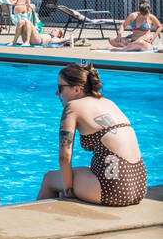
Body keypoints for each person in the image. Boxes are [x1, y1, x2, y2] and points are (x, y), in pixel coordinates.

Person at [36, 63, 147, 206]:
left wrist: (69, 191)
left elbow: (64, 157)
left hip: (114, 189)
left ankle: (35, 224)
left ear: (76, 89)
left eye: (60, 88)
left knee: (50, 179)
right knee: (71, 174)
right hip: (139, 185)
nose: (57, 93)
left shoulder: (72, 107)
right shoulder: (108, 102)